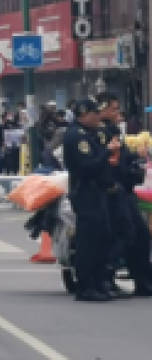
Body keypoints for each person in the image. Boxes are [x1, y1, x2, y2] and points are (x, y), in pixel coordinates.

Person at [62, 99, 118, 302]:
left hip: (97, 193)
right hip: (86, 193)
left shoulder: (89, 135)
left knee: (103, 238)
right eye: (95, 114)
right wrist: (106, 152)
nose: (98, 118)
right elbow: (87, 167)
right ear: (84, 115)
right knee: (89, 241)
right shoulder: (77, 137)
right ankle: (85, 286)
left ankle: (97, 282)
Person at [97, 93, 152, 297]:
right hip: (112, 192)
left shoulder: (113, 132)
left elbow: (124, 160)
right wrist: (131, 170)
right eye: (113, 109)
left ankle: (142, 281)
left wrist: (136, 162)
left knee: (139, 236)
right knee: (124, 236)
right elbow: (114, 166)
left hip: (124, 191)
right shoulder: (101, 134)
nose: (117, 113)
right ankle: (106, 275)